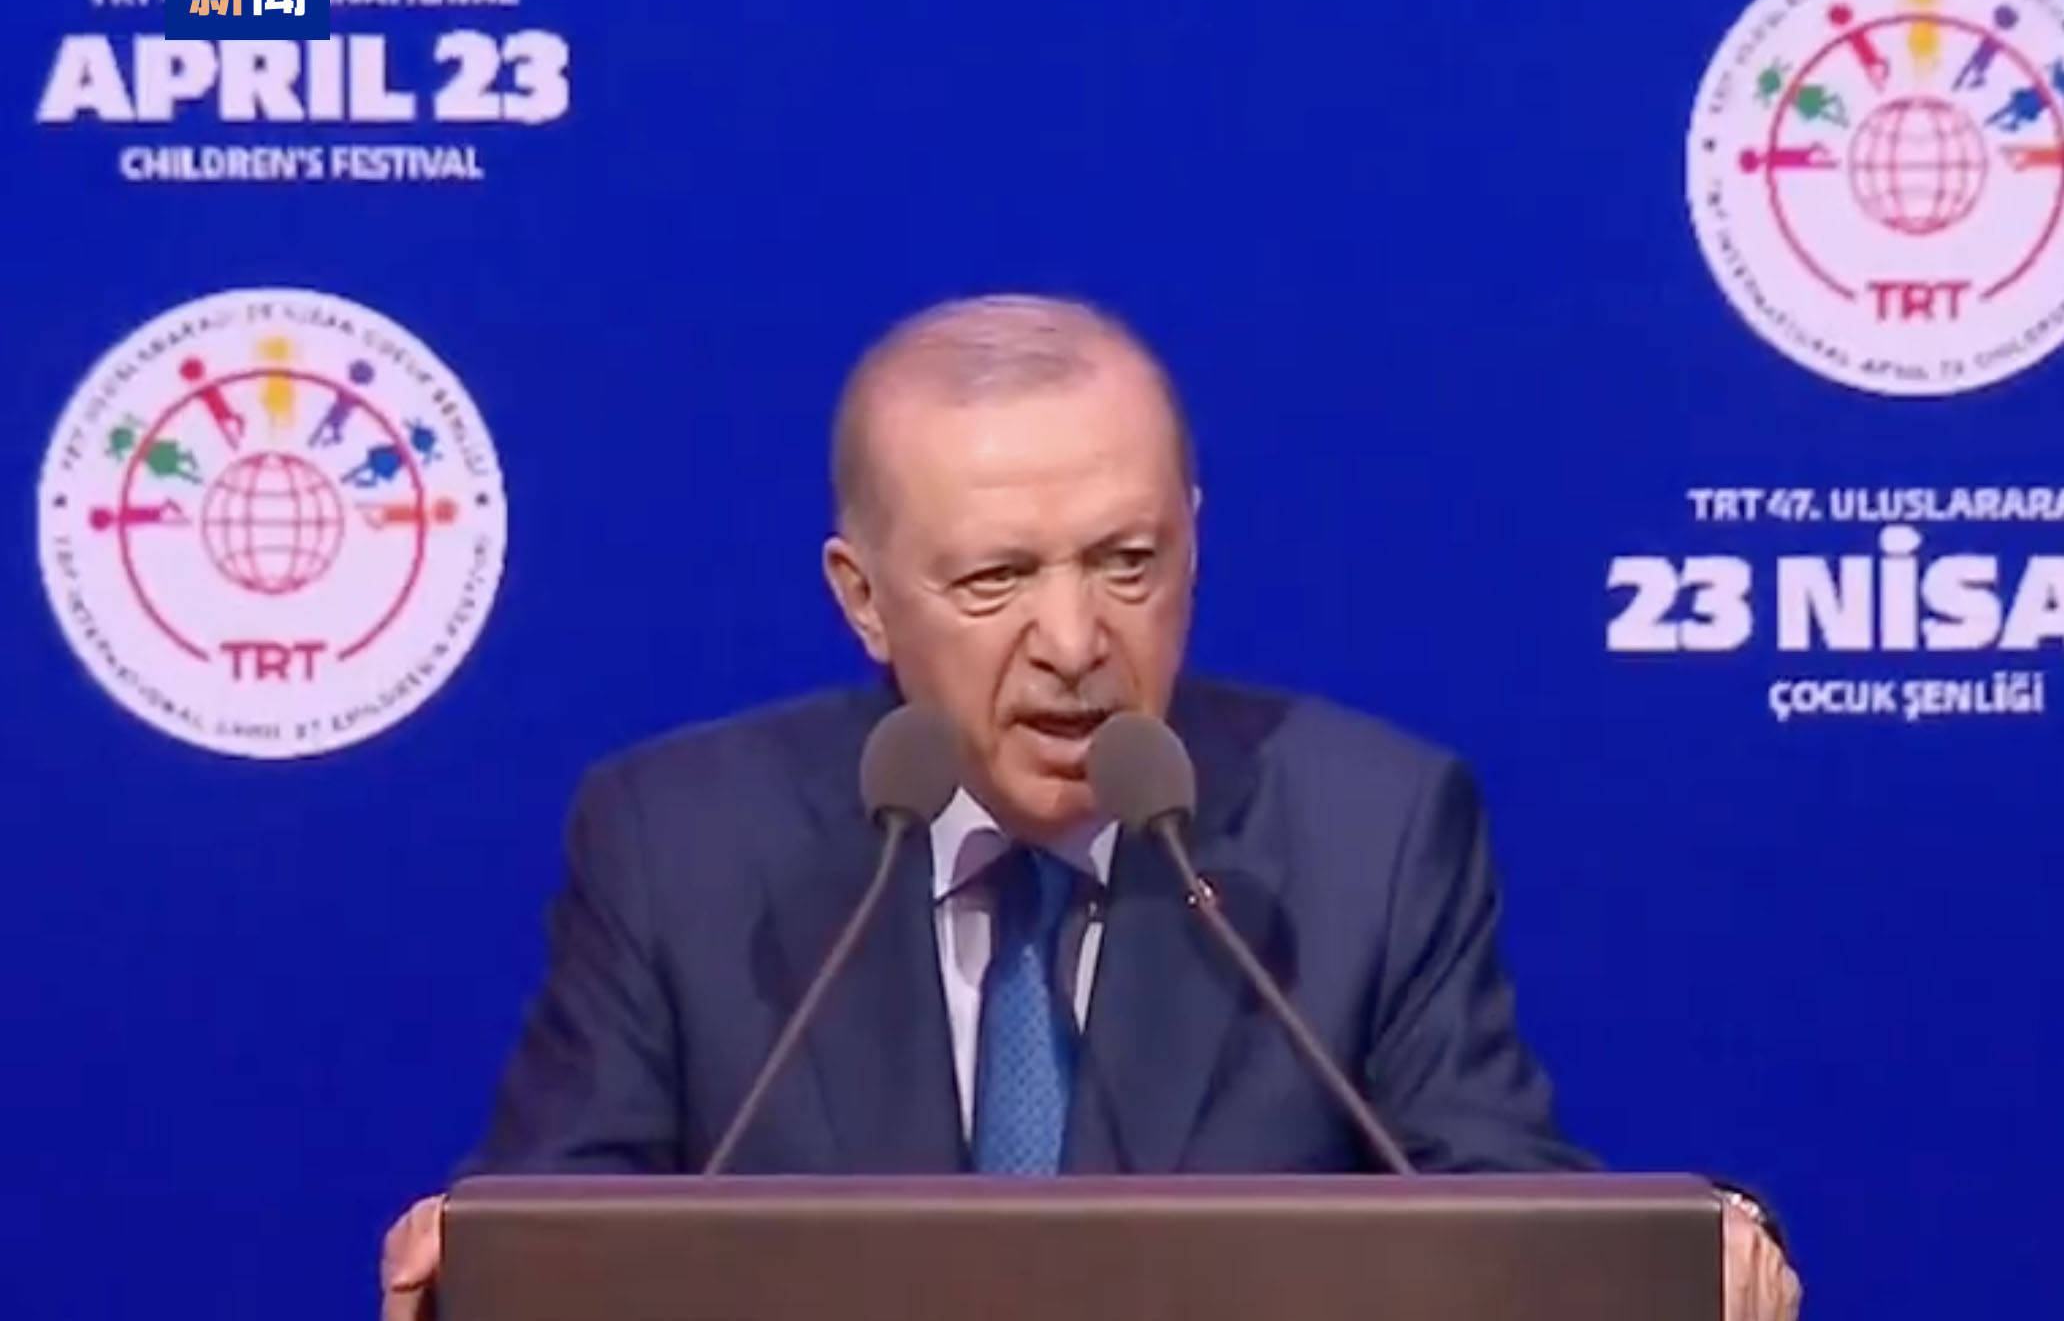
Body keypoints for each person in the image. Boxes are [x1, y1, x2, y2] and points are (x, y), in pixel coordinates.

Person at [379, 294, 1802, 1320]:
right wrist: (475, 1263)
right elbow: (565, 1230)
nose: (1073, 641)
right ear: (862, 599)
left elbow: (1508, 1222)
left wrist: (1701, 1248)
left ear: (1196, 543)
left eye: (1129, 562)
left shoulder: (1371, 830)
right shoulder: (677, 841)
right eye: (995, 579)